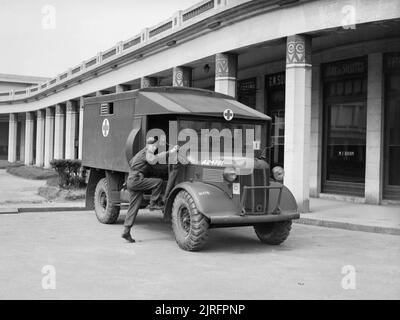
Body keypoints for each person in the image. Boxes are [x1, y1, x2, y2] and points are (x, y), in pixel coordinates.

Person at [122, 137, 179, 243]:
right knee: (158, 182)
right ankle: (153, 203)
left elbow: (132, 163)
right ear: (150, 146)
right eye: (155, 146)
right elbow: (154, 159)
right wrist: (170, 152)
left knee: (133, 207)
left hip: (132, 180)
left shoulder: (140, 153)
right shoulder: (147, 152)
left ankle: (126, 231)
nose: (155, 148)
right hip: (136, 179)